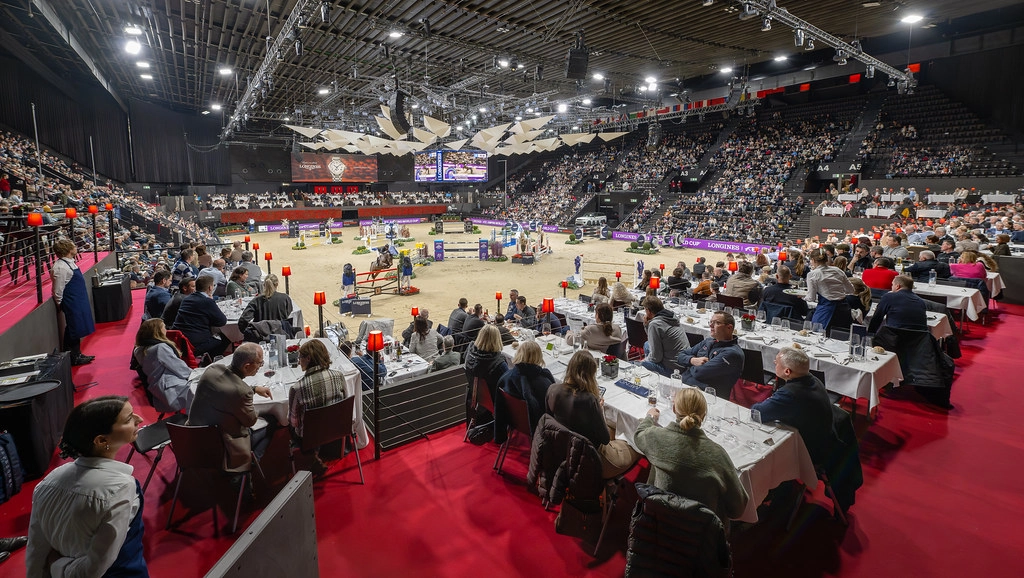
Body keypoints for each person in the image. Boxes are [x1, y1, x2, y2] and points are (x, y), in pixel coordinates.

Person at [26, 396, 147, 577]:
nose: (139, 419)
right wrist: (60, 567)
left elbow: (37, 549)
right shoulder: (121, 488)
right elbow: (94, 568)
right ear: (101, 441)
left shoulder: (49, 481)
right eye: (129, 419)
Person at [634, 388, 749, 525]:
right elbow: (737, 509)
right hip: (699, 535)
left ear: (674, 409)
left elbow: (639, 433)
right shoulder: (717, 455)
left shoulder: (657, 438)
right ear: (704, 415)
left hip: (660, 525)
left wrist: (650, 417)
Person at [545, 351, 640, 478]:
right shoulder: (589, 400)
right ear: (590, 374)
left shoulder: (552, 389)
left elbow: (549, 421)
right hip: (593, 459)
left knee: (614, 427)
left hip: (564, 451)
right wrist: (599, 410)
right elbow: (605, 439)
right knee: (637, 443)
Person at [187, 343, 272, 471]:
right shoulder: (242, 392)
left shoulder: (212, 370)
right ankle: (252, 463)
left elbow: (224, 390)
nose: (261, 366)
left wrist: (254, 389)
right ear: (247, 366)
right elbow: (250, 421)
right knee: (272, 420)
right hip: (223, 444)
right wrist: (263, 409)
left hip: (194, 435)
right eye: (260, 363)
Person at [752, 347, 834, 465]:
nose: (774, 364)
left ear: (787, 372)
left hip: (809, 449)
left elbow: (758, 412)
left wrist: (771, 401)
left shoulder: (790, 394)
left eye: (777, 363)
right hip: (825, 439)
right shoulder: (814, 379)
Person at [288, 340, 347, 474]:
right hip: (337, 429)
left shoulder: (297, 388)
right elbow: (345, 403)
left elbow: (294, 422)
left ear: (308, 359)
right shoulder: (339, 376)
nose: (298, 362)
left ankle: (312, 456)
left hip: (309, 437)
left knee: (288, 425)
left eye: (300, 358)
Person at [675, 311, 744, 398]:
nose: (711, 325)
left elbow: (699, 373)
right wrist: (693, 360)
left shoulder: (732, 354)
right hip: (683, 387)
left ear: (729, 328)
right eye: (711, 322)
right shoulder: (708, 341)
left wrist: (689, 365)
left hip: (705, 397)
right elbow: (680, 356)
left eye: (717, 323)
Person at [51, 239, 95, 365]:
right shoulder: (60, 267)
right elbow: (57, 290)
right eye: (73, 246)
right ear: (68, 250)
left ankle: (78, 353)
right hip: (71, 301)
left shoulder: (70, 263)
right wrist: (60, 303)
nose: (76, 247)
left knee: (78, 327)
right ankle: (72, 357)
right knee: (73, 328)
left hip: (79, 298)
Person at [132, 319, 192, 413]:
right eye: (164, 327)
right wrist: (196, 374)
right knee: (204, 388)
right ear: (158, 331)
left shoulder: (138, 350)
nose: (166, 329)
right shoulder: (160, 348)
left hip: (157, 390)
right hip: (172, 390)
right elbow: (179, 368)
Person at [497, 341, 555, 433]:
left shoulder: (507, 377)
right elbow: (552, 407)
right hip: (539, 426)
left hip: (513, 420)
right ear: (539, 356)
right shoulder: (543, 383)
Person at [171, 275, 229, 359]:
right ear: (210, 287)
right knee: (226, 337)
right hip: (195, 342)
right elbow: (222, 321)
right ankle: (209, 360)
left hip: (179, 339)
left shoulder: (187, 299)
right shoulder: (207, 301)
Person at [464, 325, 509, 425]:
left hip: (477, 397)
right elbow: (509, 384)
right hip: (495, 403)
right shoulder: (498, 363)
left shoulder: (469, 353)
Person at [804, 251, 854, 329]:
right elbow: (851, 290)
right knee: (841, 336)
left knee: (818, 334)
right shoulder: (838, 270)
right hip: (844, 308)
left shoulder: (812, 274)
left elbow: (811, 298)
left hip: (826, 310)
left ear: (813, 260)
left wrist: (802, 296)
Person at [640, 296, 688, 377]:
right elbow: (652, 340)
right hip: (685, 363)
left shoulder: (655, 324)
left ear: (648, 311)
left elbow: (656, 358)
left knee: (638, 365)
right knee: (647, 344)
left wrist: (644, 361)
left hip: (672, 369)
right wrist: (646, 325)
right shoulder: (671, 316)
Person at [238, 274, 294, 341]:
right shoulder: (285, 298)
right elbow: (288, 312)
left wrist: (249, 332)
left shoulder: (256, 300)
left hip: (260, 337)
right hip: (281, 336)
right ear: (277, 284)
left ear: (264, 285)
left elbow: (243, 320)